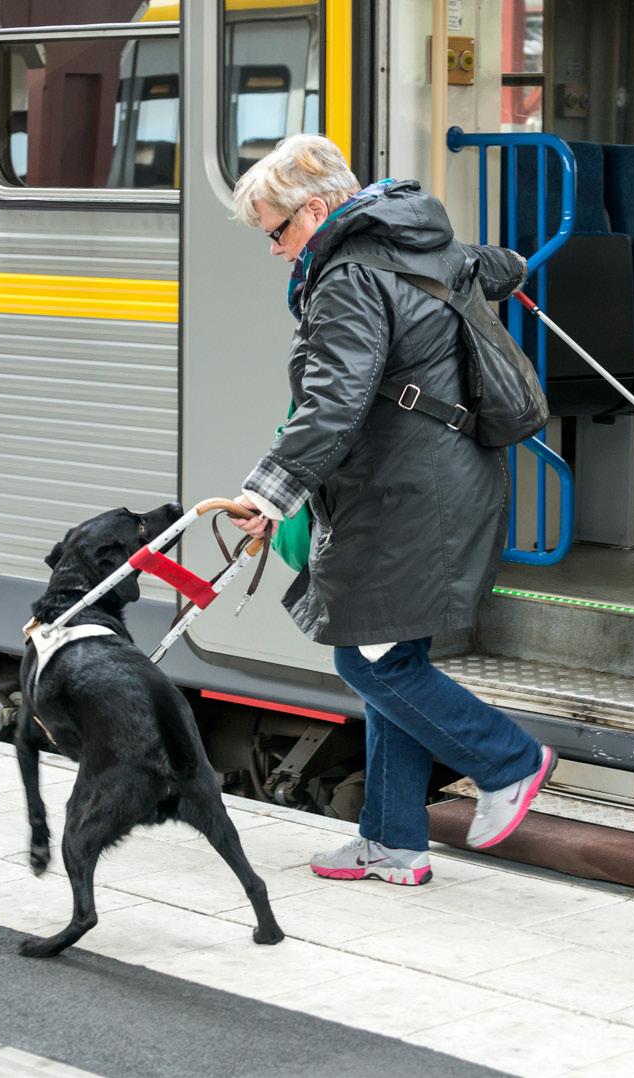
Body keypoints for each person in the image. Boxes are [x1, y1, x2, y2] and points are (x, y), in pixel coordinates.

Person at [231, 134, 556, 886]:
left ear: (314, 210)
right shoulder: (419, 239)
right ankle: (392, 841)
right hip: (438, 476)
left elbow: (333, 401)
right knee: (389, 652)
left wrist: (269, 492)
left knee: (364, 655)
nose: (276, 250)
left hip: (407, 490)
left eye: (277, 231)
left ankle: (508, 760)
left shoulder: (348, 276)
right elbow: (500, 264)